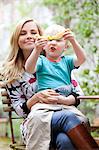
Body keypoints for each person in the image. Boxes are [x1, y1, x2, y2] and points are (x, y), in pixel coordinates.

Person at [0, 19, 98, 150]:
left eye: (33, 32)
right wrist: (36, 98)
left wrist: (63, 99)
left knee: (64, 140)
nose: (29, 36)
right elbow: (19, 109)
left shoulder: (56, 61)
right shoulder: (11, 72)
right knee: (67, 117)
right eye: (23, 33)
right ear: (16, 38)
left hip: (63, 112)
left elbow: (78, 94)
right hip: (36, 122)